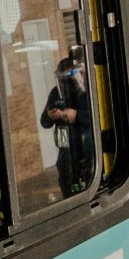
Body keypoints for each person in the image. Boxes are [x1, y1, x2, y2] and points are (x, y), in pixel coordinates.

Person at [40, 48, 95, 198]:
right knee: (67, 188)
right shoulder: (55, 93)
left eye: (71, 78)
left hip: (88, 150)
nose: (68, 84)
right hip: (66, 153)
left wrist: (76, 115)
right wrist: (51, 116)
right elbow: (44, 122)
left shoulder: (89, 92)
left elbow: (97, 118)